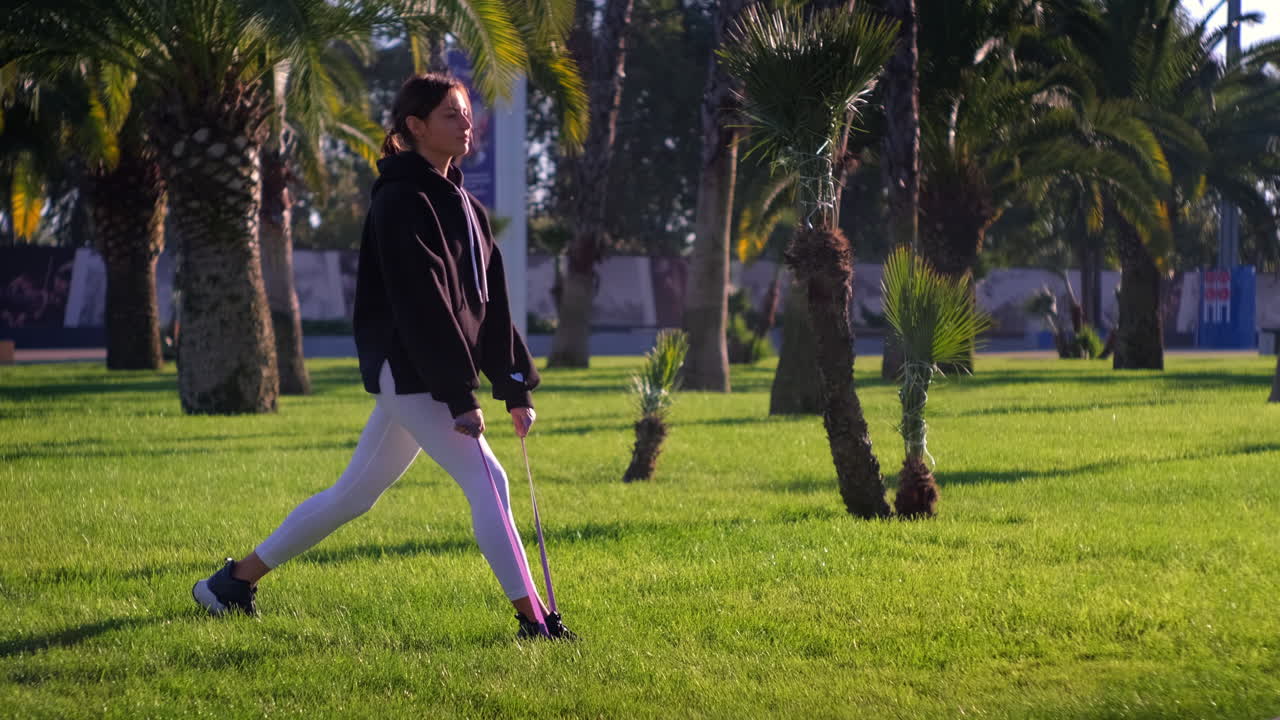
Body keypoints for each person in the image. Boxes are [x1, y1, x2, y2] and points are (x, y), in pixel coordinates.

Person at [192, 73, 573, 641]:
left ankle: (231, 583)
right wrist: (460, 397)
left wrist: (515, 386)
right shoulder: (400, 202)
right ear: (415, 127)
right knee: (489, 479)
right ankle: (535, 621)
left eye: (467, 113)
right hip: (413, 372)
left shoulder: (467, 206)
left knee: (354, 495)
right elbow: (423, 306)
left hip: (431, 377)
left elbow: (488, 305)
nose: (466, 124)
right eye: (451, 115)